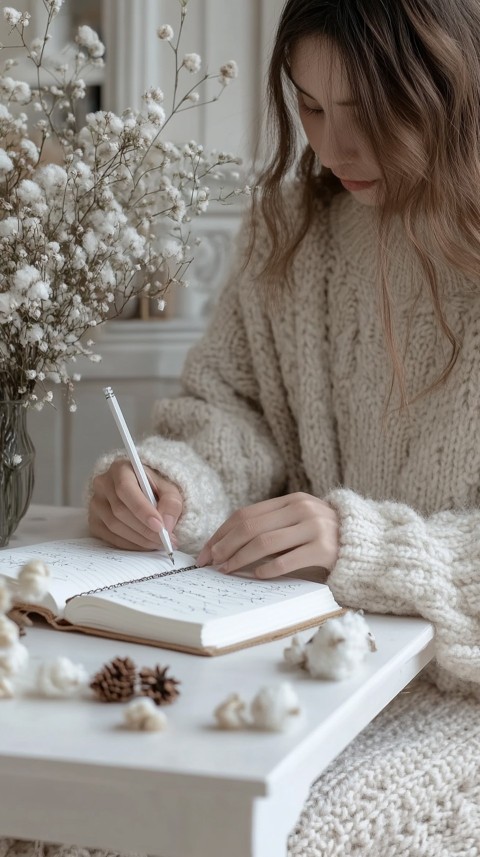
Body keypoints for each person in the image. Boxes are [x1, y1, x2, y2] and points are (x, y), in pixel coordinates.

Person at [5, 2, 474, 857]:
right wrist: (174, 481)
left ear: (446, 82)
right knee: (61, 817)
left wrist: (359, 541)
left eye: (366, 110)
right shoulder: (293, 224)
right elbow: (233, 410)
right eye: (311, 107)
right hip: (298, 663)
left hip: (454, 692)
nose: (334, 148)